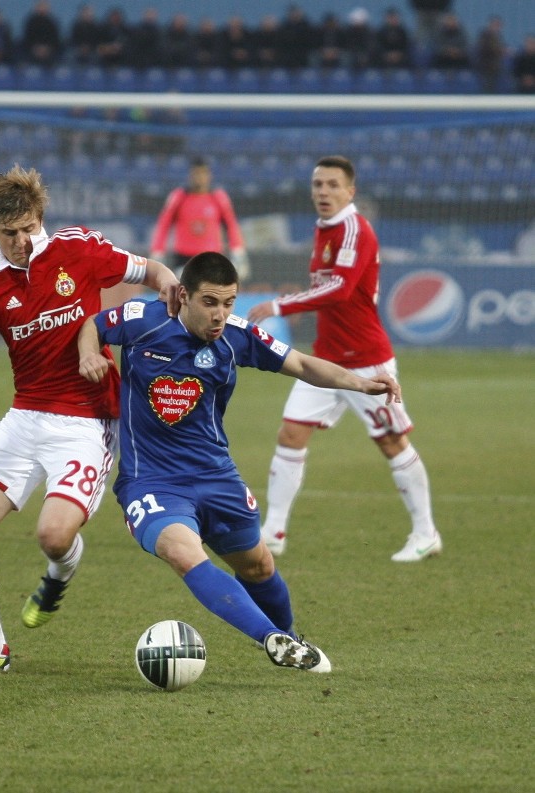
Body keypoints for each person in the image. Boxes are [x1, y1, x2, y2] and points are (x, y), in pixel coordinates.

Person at [0, 164, 179, 676]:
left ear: (41, 218)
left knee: (53, 536)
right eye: (11, 234)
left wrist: (170, 288)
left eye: (30, 228)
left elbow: (150, 269)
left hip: (88, 421)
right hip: (25, 417)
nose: (24, 241)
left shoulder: (76, 248)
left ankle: (59, 572)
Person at [78, 252, 402, 673]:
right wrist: (89, 353)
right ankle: (269, 638)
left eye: (229, 303)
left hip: (216, 477)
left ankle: (289, 641)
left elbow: (301, 364)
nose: (220, 314)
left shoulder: (237, 335)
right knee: (182, 551)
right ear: (183, 295)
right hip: (151, 481)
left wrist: (361, 383)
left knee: (258, 565)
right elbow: (93, 324)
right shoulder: (144, 319)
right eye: (210, 302)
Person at [248, 155, 441, 563]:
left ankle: (426, 533)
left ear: (350, 191)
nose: (323, 192)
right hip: (327, 361)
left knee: (392, 442)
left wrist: (278, 305)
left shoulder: (355, 229)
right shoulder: (324, 229)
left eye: (333, 185)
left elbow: (339, 289)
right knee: (291, 434)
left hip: (367, 360)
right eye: (318, 185)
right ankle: (274, 532)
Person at [150, 157, 249, 281]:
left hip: (211, 257)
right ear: (190, 175)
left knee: (211, 294)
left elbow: (231, 225)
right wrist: (157, 250)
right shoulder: (178, 197)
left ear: (209, 176)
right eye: (196, 173)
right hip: (184, 257)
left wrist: (238, 251)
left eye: (203, 173)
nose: (200, 177)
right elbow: (163, 224)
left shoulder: (218, 198)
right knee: (185, 295)